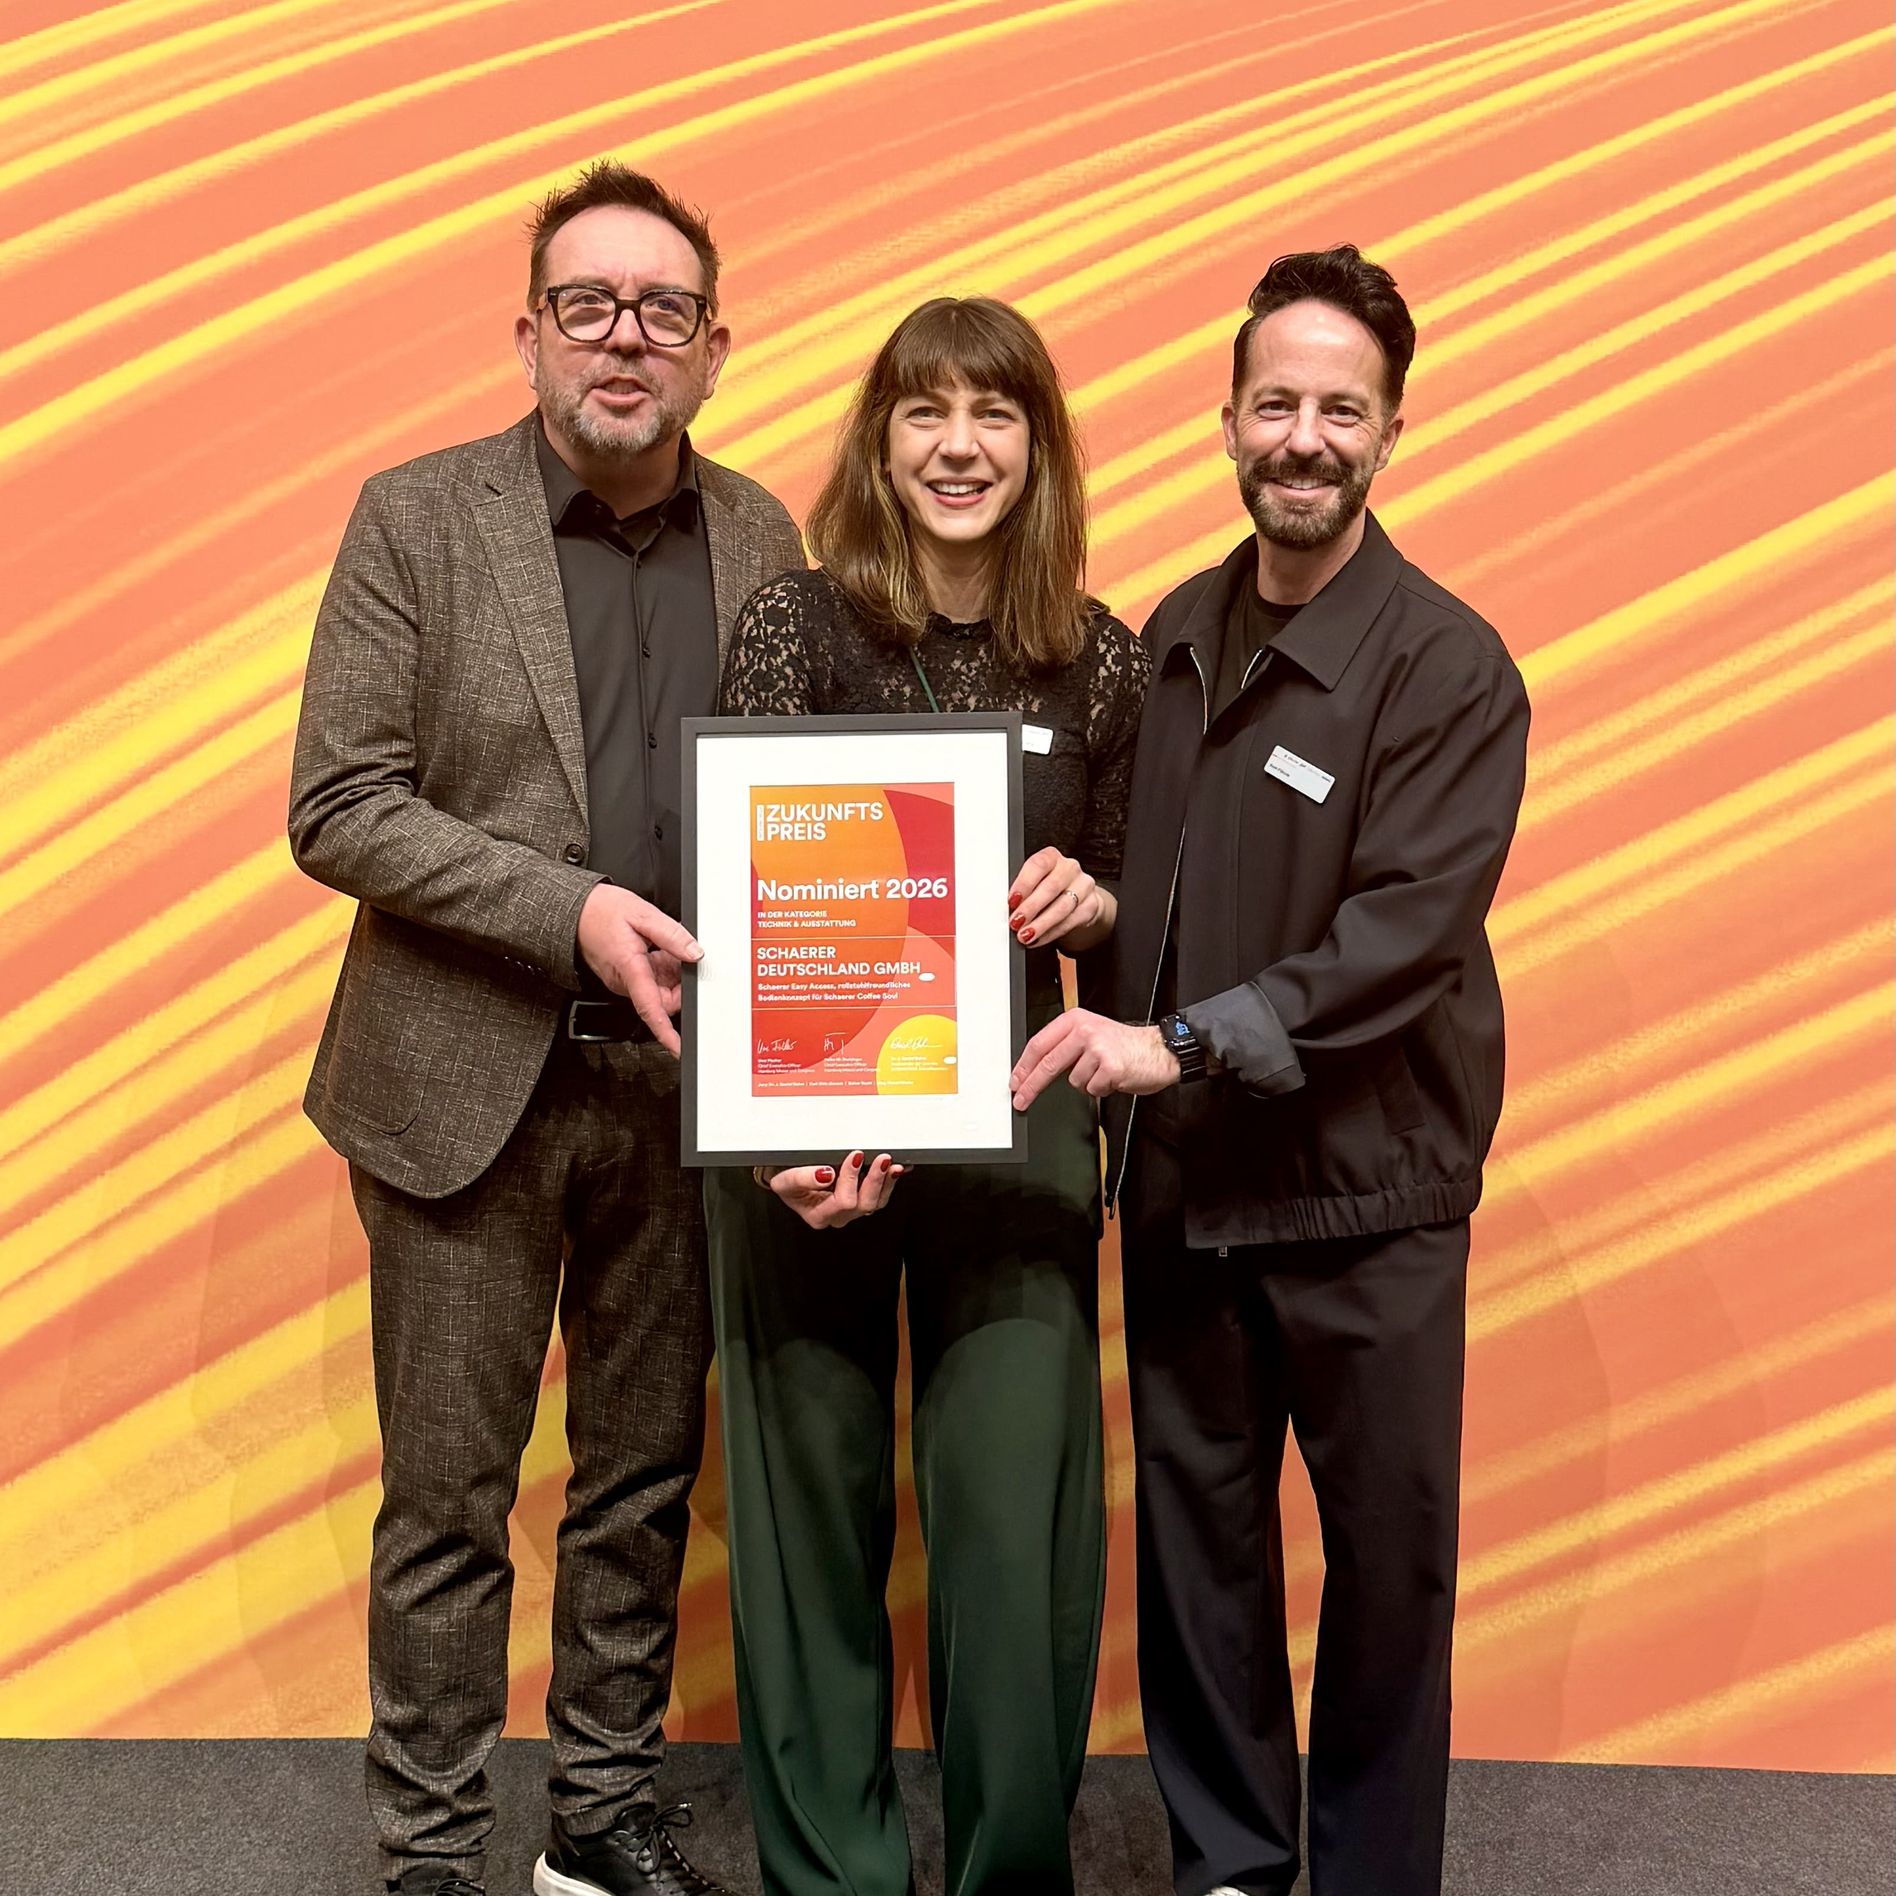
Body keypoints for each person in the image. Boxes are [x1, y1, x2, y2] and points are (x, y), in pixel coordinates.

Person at [288, 162, 803, 1896]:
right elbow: (340, 804)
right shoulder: (413, 520)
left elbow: (803, 819)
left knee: (641, 1484)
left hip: (679, 1095)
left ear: (714, 347)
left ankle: (596, 1824)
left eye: (662, 308)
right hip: (459, 1093)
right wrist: (563, 908)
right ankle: (430, 1854)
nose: (624, 337)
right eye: (587, 303)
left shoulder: (767, 537)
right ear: (528, 334)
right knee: (449, 1504)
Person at [1009, 246, 1531, 1896]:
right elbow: (1156, 886)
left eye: (1340, 410)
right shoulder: (1172, 634)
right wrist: (1098, 923)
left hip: (1364, 1197)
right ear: (1230, 417)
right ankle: (1231, 1867)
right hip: (1187, 1194)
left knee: (1386, 1577)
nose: (1303, 437)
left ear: (1390, 432)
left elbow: (1400, 939)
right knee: (1200, 1566)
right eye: (1276, 402)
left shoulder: (1447, 667)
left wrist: (1172, 1042)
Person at [704, 296, 1150, 1896]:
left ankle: (1009, 1873)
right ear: (878, 441)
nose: (958, 445)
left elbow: (1131, 911)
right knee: (807, 1516)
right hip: (808, 1126)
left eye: (996, 413)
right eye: (923, 411)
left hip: (1018, 1120)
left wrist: (1090, 906)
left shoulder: (1099, 659)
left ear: (1040, 447)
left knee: (1010, 1532)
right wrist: (780, 1144)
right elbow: (744, 903)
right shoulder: (793, 627)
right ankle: (833, 1875)